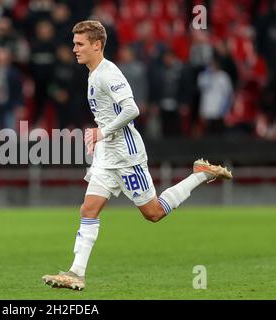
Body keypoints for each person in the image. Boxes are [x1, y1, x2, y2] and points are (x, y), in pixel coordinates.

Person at [42, 21, 233, 291]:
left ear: (97, 45)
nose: (74, 49)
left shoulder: (108, 73)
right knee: (88, 209)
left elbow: (132, 109)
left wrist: (101, 132)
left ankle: (199, 175)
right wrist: (98, 136)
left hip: (127, 155)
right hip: (107, 154)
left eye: (79, 44)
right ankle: (76, 272)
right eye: (74, 43)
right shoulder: (93, 73)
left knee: (153, 213)